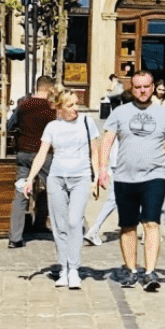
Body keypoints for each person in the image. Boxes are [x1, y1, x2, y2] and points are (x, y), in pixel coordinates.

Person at [99, 71, 165, 291]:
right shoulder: (120, 112)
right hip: (125, 178)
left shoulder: (163, 114)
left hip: (153, 177)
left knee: (151, 223)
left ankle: (150, 271)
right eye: (138, 87)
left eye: (146, 86)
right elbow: (106, 140)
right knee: (127, 226)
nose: (143, 91)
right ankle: (131, 270)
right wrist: (101, 169)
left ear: (153, 87)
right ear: (131, 88)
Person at [24, 89, 102, 289]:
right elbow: (41, 154)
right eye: (70, 105)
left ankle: (75, 269)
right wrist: (30, 178)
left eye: (76, 104)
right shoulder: (52, 127)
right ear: (59, 107)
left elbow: (95, 151)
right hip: (57, 178)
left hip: (81, 177)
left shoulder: (87, 122)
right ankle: (64, 268)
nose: (75, 108)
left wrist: (97, 175)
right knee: (59, 226)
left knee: (75, 222)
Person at [7, 76, 57, 248]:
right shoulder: (50, 109)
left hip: (23, 153)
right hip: (43, 155)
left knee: (20, 193)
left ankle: (15, 237)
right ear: (50, 89)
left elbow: (9, 126)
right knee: (57, 190)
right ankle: (74, 229)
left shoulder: (23, 106)